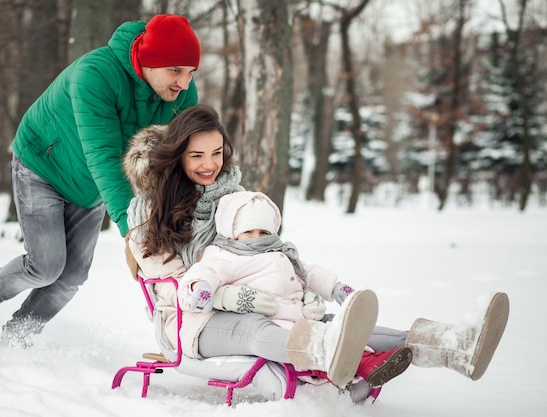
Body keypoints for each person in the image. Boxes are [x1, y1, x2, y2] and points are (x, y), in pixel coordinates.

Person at [123, 104, 510, 402]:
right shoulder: (147, 213)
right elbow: (169, 288)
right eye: (196, 156)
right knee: (266, 332)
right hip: (191, 322)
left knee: (328, 323)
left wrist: (295, 285)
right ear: (176, 157)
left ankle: (452, 345)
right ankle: (325, 350)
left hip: (267, 305)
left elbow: (266, 251)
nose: (210, 165)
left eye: (217, 152)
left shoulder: (237, 199)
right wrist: (228, 296)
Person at [0, 14, 202, 348]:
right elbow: (105, 156)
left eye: (191, 72)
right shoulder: (95, 74)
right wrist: (133, 232)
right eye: (175, 70)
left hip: (89, 189)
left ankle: (19, 334)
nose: (185, 84)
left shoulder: (182, 96)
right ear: (149, 60)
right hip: (43, 167)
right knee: (46, 266)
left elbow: (184, 160)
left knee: (71, 277)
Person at [178, 190, 412, 389]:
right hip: (269, 322)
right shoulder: (225, 255)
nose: (256, 238)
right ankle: (366, 362)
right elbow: (205, 272)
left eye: (263, 232)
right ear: (231, 232)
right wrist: (202, 288)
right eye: (248, 232)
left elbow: (308, 272)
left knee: (334, 326)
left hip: (298, 319)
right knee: (306, 339)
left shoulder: (281, 252)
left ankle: (393, 349)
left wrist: (335, 287)